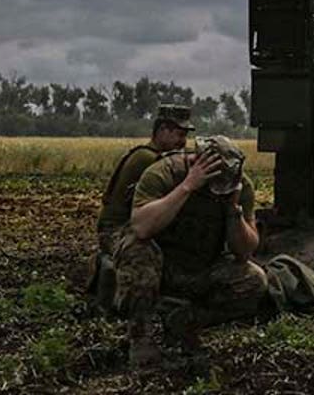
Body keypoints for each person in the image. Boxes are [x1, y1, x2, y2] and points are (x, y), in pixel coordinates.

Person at [117, 134, 267, 363]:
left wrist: (232, 210)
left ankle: (185, 320)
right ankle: (141, 335)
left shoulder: (239, 186)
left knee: (255, 280)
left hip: (201, 266)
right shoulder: (164, 173)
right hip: (161, 265)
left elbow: (245, 252)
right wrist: (187, 187)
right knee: (136, 248)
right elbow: (141, 227)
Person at [95, 104, 195, 256]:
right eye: (179, 135)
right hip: (116, 230)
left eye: (185, 136)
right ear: (162, 130)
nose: (183, 142)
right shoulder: (149, 159)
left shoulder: (149, 155)